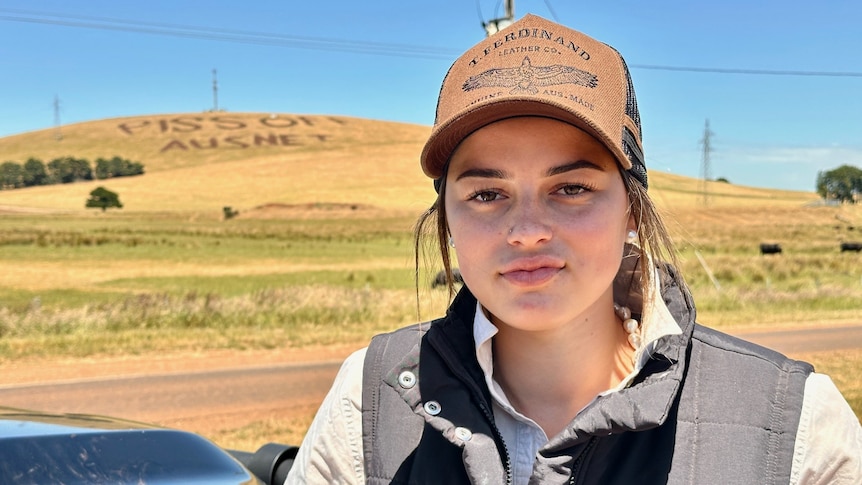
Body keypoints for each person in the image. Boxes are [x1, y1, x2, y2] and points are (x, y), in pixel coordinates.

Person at [285, 14, 862, 484]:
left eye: (572, 188)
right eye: (486, 193)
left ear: (632, 207)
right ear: (448, 218)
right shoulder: (368, 400)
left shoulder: (793, 423)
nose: (527, 229)